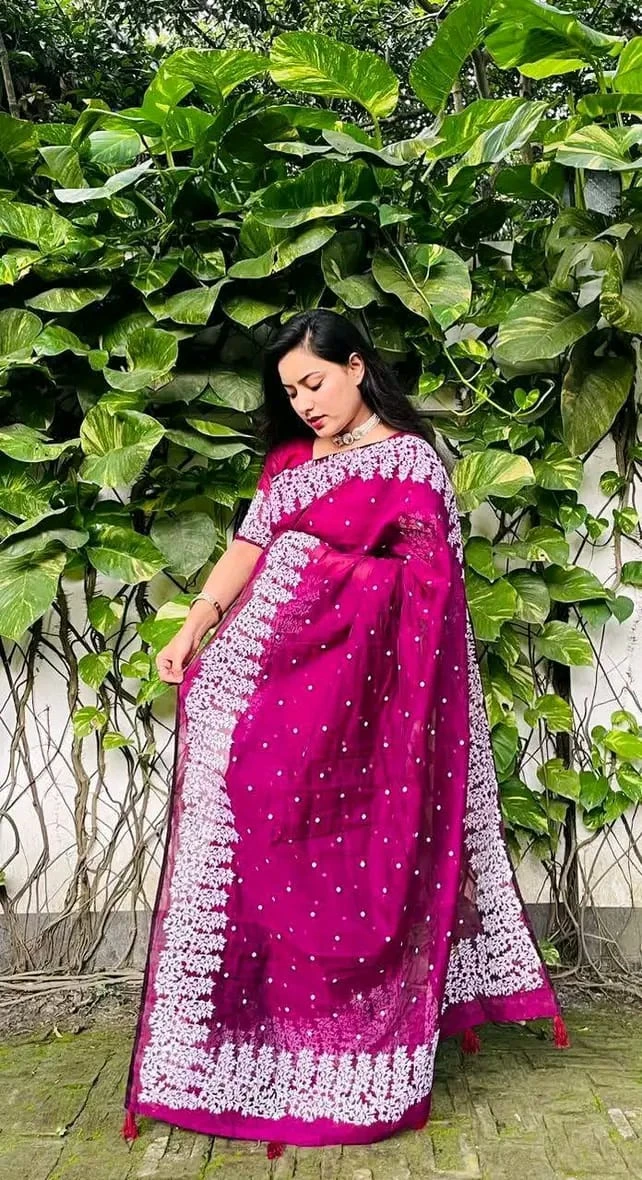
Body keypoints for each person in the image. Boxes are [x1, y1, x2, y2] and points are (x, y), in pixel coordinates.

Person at [121, 309, 569, 1156]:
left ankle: (354, 1042)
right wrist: (193, 626)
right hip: (285, 687)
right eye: (291, 391)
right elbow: (250, 546)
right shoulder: (291, 462)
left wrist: (316, 568)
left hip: (361, 705)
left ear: (356, 368)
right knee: (256, 819)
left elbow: (429, 588)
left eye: (315, 382)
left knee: (342, 848)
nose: (304, 403)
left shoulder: (409, 465)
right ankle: (254, 1029)